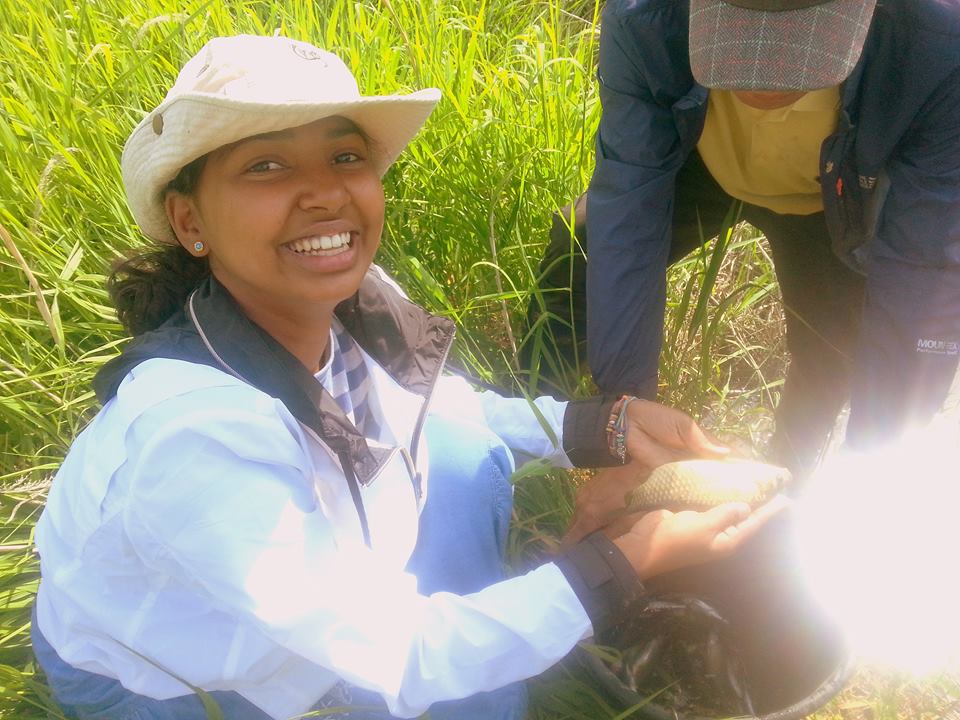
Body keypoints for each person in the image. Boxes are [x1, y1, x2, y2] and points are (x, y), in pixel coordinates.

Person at [30, 35, 785, 720]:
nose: (325, 191)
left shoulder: (349, 297)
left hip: (318, 561)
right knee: (440, 688)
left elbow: (435, 405)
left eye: (345, 157)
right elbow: (400, 653)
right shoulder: (194, 436)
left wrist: (601, 427)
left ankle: (490, 626)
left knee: (468, 460)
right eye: (266, 165)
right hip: (165, 672)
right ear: (190, 221)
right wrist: (625, 563)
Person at [525, 0, 960, 483]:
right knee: (581, 245)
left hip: (833, 195)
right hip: (697, 163)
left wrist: (876, 468)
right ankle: (527, 432)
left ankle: (782, 484)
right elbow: (629, 202)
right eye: (740, 35)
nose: (761, 79)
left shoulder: (939, 45)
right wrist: (625, 420)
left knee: (830, 348)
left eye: (798, 42)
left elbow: (926, 268)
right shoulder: (644, 16)